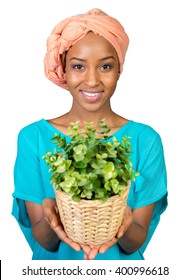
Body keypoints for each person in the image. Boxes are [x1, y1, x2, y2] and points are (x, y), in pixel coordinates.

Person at [12, 8, 168, 260]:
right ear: (64, 70)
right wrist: (55, 217)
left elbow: (134, 241)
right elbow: (45, 240)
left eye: (105, 66)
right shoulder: (33, 138)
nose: (93, 80)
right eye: (78, 66)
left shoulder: (145, 140)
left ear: (120, 69)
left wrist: (122, 222)